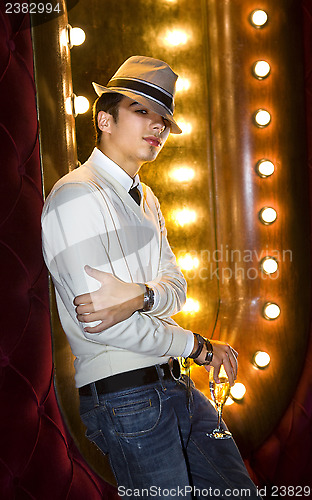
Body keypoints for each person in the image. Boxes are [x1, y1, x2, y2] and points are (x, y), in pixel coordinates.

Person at [41, 56, 259, 499]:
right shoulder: (75, 197)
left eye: (164, 119)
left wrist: (140, 295)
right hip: (126, 397)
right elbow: (103, 319)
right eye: (142, 112)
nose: (157, 126)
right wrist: (196, 345)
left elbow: (177, 289)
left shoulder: (148, 199)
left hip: (173, 383)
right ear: (104, 119)